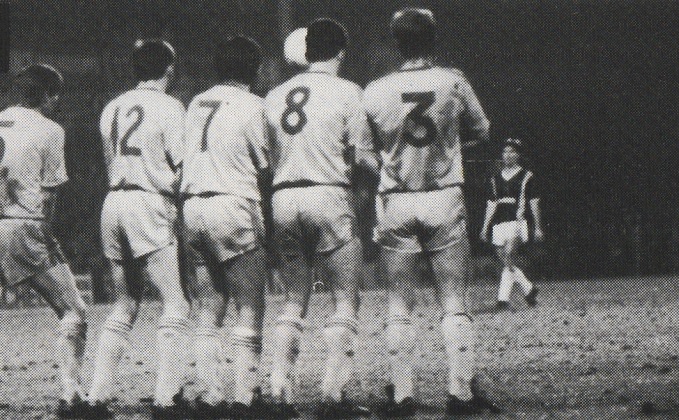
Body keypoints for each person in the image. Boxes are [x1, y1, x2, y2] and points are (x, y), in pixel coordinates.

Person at [361, 8, 501, 417]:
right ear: (433, 40)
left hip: (397, 199)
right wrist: (449, 150)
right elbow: (482, 131)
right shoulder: (452, 81)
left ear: (396, 42)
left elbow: (363, 151)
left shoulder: (375, 89)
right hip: (443, 196)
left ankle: (403, 396)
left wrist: (391, 166)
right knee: (454, 300)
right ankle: (460, 395)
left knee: (399, 304)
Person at [264, 18, 377, 417]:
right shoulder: (349, 92)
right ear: (341, 51)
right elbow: (362, 155)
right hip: (328, 193)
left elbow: (267, 156)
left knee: (294, 299)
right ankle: (333, 395)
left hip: (283, 197)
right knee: (345, 298)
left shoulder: (275, 95)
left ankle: (278, 390)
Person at [86, 40, 189, 418]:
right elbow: (180, 169)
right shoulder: (171, 107)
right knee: (175, 302)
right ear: (169, 68)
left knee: (124, 303)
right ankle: (167, 399)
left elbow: (107, 159)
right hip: (148, 201)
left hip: (113, 202)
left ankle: (96, 397)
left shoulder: (112, 106)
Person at [180, 36, 273, 417]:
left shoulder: (195, 104)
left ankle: (209, 393)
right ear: (254, 69)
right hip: (232, 204)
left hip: (193, 207)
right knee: (250, 306)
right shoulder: (254, 105)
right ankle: (246, 395)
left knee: (209, 305)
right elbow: (265, 163)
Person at [0, 64, 89, 418]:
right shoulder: (50, 130)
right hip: (22, 225)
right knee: (74, 311)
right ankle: (72, 395)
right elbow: (49, 197)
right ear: (50, 95)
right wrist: (47, 234)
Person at [481, 138, 541, 310]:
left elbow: (534, 202)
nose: (508, 155)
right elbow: (491, 203)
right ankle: (529, 289)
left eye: (512, 151)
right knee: (507, 262)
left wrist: (537, 227)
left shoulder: (526, 176)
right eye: (505, 151)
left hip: (517, 221)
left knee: (508, 255)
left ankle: (502, 300)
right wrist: (485, 226)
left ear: (518, 155)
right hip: (499, 223)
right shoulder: (495, 178)